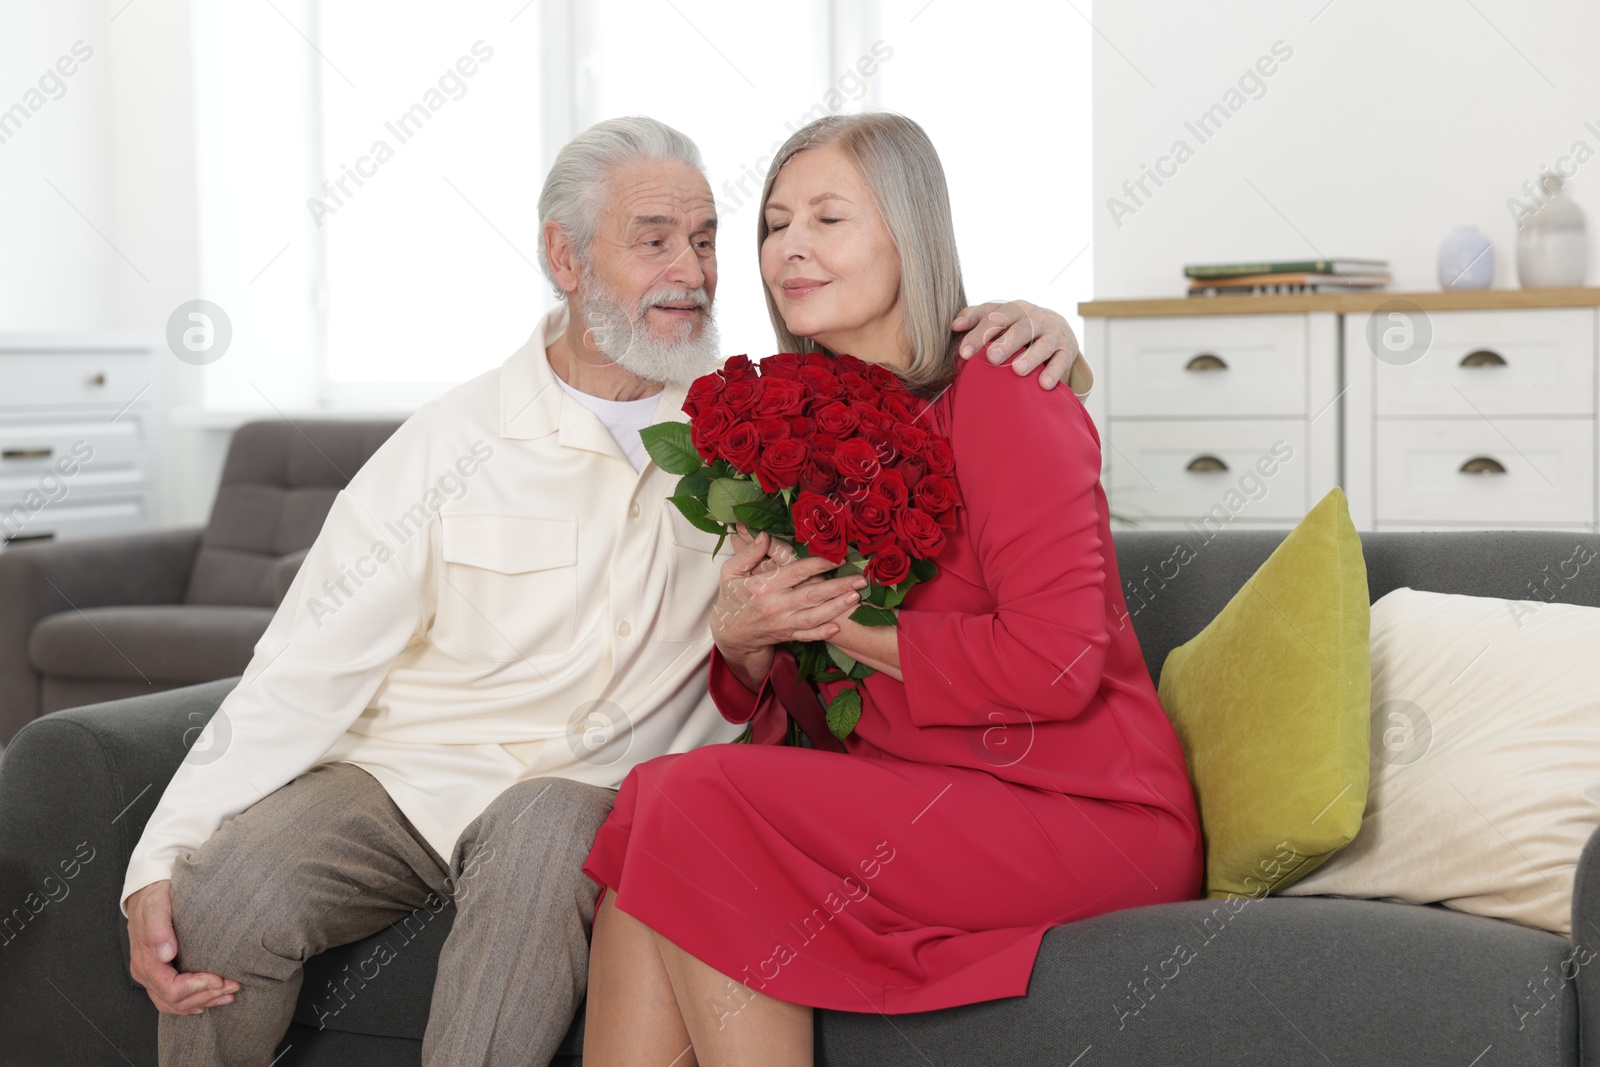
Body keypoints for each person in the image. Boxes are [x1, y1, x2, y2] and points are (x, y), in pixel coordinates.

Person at [121, 115, 1091, 1067]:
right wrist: (158, 857)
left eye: (708, 240)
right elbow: (301, 664)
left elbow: (911, 353)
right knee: (223, 899)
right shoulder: (447, 442)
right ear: (566, 255)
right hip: (406, 780)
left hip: (586, 795)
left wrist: (1046, 327)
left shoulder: (764, 428)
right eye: (655, 239)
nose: (693, 269)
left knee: (542, 834)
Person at [579, 112, 1203, 1066]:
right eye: (776, 224)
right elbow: (794, 696)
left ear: (909, 232)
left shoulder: (1006, 386)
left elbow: (1057, 662)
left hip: (1078, 806)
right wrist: (746, 636)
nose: (791, 247)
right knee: (642, 858)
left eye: (829, 219)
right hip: (909, 786)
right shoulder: (785, 423)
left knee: (687, 804)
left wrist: (841, 620)